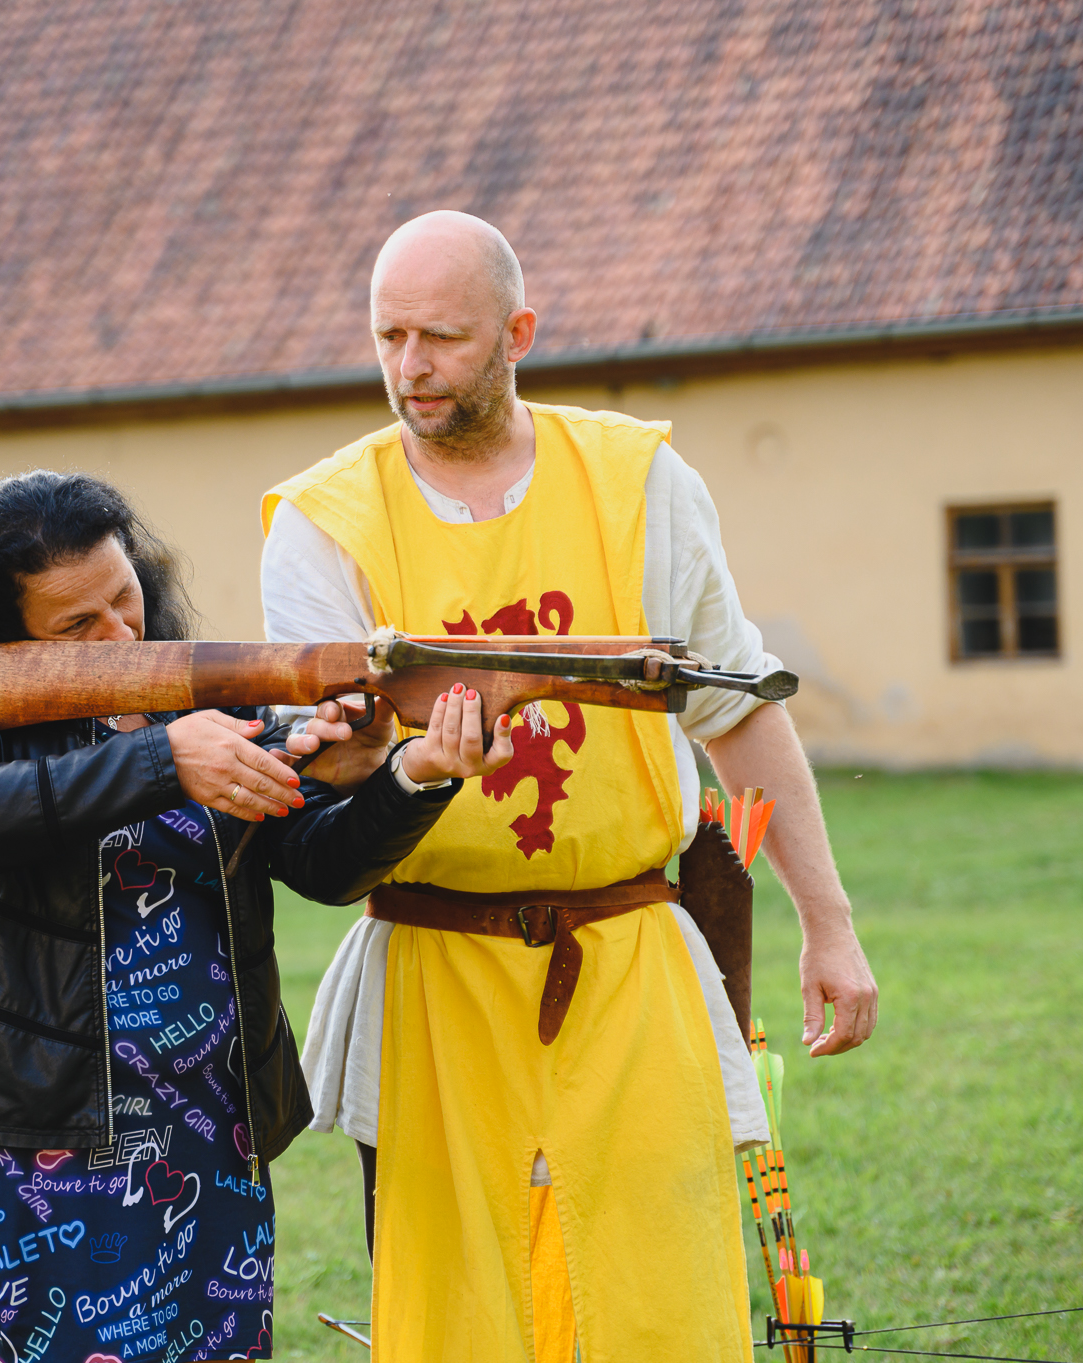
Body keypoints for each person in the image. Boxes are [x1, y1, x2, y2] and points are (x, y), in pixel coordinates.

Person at [259, 211, 879, 1361]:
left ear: (516, 334)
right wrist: (379, 759)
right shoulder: (323, 521)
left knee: (659, 1300)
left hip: (627, 958)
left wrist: (827, 923)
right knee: (458, 1316)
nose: (409, 366)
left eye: (441, 336)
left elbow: (736, 707)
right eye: (388, 336)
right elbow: (327, 793)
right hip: (435, 970)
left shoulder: (639, 483)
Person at [0, 471, 512, 1362]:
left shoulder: (206, 682)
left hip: (214, 1118)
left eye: (124, 597)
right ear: (10, 630)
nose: (120, 633)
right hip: (55, 1137)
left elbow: (318, 863)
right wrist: (163, 760)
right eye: (77, 624)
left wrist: (410, 775)